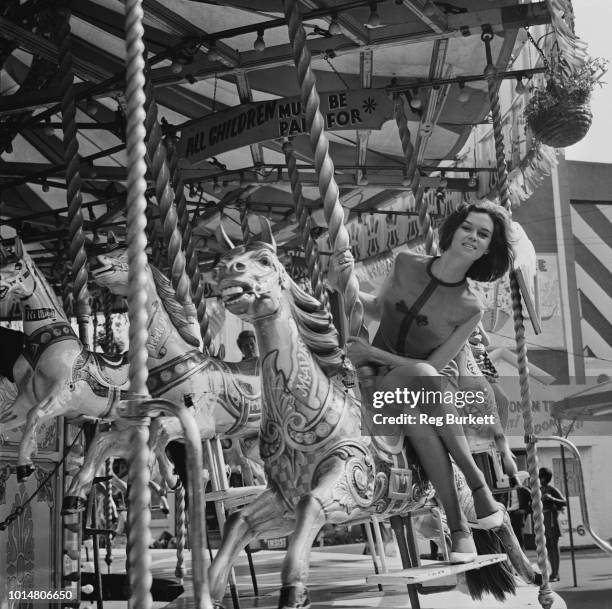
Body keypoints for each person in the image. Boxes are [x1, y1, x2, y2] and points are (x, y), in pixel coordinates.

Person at [331, 201, 514, 563]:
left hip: (415, 381)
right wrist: (345, 283)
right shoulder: (405, 262)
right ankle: (476, 486)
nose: (473, 237)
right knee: (421, 393)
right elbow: (377, 308)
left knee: (418, 413)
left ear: (488, 249)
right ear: (454, 230)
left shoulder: (470, 308)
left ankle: (461, 527)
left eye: (483, 235)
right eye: (468, 228)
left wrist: (375, 354)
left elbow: (432, 366)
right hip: (375, 384)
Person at [539, 466, 566, 581]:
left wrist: (552, 499)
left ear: (545, 478)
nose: (539, 479)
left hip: (551, 519)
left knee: (554, 546)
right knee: (548, 547)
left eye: (541, 477)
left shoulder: (551, 489)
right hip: (542, 520)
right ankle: (553, 573)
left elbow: (564, 502)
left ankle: (556, 573)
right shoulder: (538, 489)